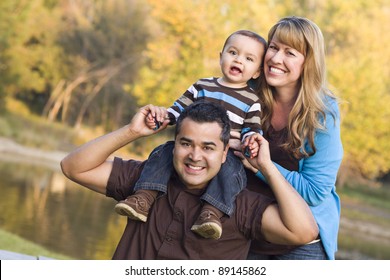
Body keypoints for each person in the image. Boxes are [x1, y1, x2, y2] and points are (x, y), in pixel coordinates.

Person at [60, 101, 318, 259]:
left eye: (208, 147)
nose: (195, 156)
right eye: (186, 143)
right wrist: (132, 132)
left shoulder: (240, 206)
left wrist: (266, 167)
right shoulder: (146, 182)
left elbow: (303, 231)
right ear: (174, 145)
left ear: (224, 152)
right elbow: (73, 167)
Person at [114, 30, 267, 240]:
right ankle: (143, 197)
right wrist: (161, 117)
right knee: (163, 152)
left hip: (226, 153)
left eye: (248, 59)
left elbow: (252, 130)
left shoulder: (252, 100)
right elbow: (177, 110)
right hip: (190, 146)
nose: (239, 60)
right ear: (221, 55)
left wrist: (251, 142)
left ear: (257, 72)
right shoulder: (202, 86)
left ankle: (211, 213)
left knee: (232, 171)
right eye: (233, 53)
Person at [240, 16, 343, 260]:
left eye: (290, 53)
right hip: (247, 228)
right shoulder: (247, 93)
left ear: (308, 63)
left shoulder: (323, 113)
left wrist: (262, 167)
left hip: (301, 240)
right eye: (274, 47)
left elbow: (315, 191)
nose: (276, 59)